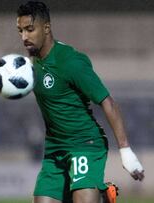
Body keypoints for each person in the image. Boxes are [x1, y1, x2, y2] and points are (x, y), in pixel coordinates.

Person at [16, 1, 144, 203]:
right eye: (21, 31)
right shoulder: (30, 62)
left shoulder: (70, 62)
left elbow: (107, 102)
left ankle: (101, 196)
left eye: (30, 30)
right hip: (54, 149)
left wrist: (125, 151)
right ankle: (101, 195)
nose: (24, 37)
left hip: (84, 144)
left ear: (47, 28)